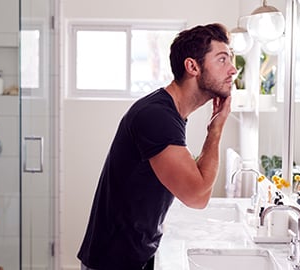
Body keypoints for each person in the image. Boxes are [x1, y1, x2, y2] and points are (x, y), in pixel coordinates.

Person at [77, 23, 237, 270]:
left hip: (130, 256)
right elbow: (197, 196)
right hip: (114, 263)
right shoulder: (157, 116)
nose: (233, 69)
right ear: (192, 66)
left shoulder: (169, 112)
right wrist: (215, 129)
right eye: (222, 59)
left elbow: (194, 185)